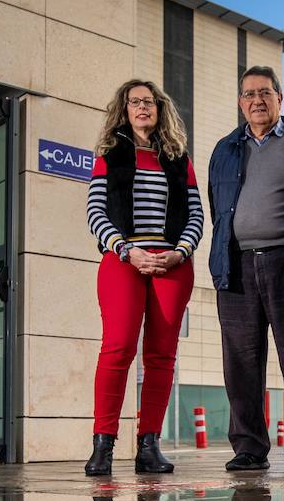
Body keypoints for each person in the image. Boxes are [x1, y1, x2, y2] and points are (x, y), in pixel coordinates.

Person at [208, 66, 284, 472]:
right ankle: (249, 447)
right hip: (237, 265)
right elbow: (218, 209)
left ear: (280, 98)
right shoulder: (225, 149)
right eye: (248, 94)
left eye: (264, 92)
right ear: (240, 102)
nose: (256, 100)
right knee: (240, 361)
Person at [84, 80, 203, 477]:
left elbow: (196, 214)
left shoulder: (179, 159)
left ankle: (149, 446)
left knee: (161, 355)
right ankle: (103, 445)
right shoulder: (109, 156)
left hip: (172, 263)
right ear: (124, 109)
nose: (142, 107)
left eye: (148, 101)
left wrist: (179, 252)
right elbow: (96, 212)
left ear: (159, 108)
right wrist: (126, 250)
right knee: (117, 348)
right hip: (123, 259)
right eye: (134, 101)